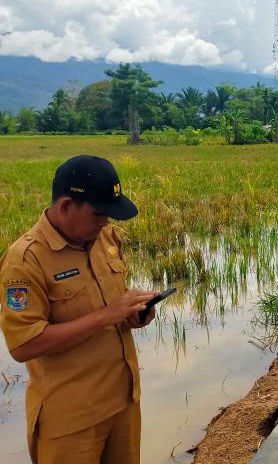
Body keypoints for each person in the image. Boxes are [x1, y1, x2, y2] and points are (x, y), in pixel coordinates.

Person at [0, 156, 159, 464]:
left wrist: (134, 315)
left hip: (124, 402)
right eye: (98, 213)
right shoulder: (25, 260)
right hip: (71, 422)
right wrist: (105, 316)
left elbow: (112, 307)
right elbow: (23, 345)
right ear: (65, 206)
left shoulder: (103, 237)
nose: (105, 222)